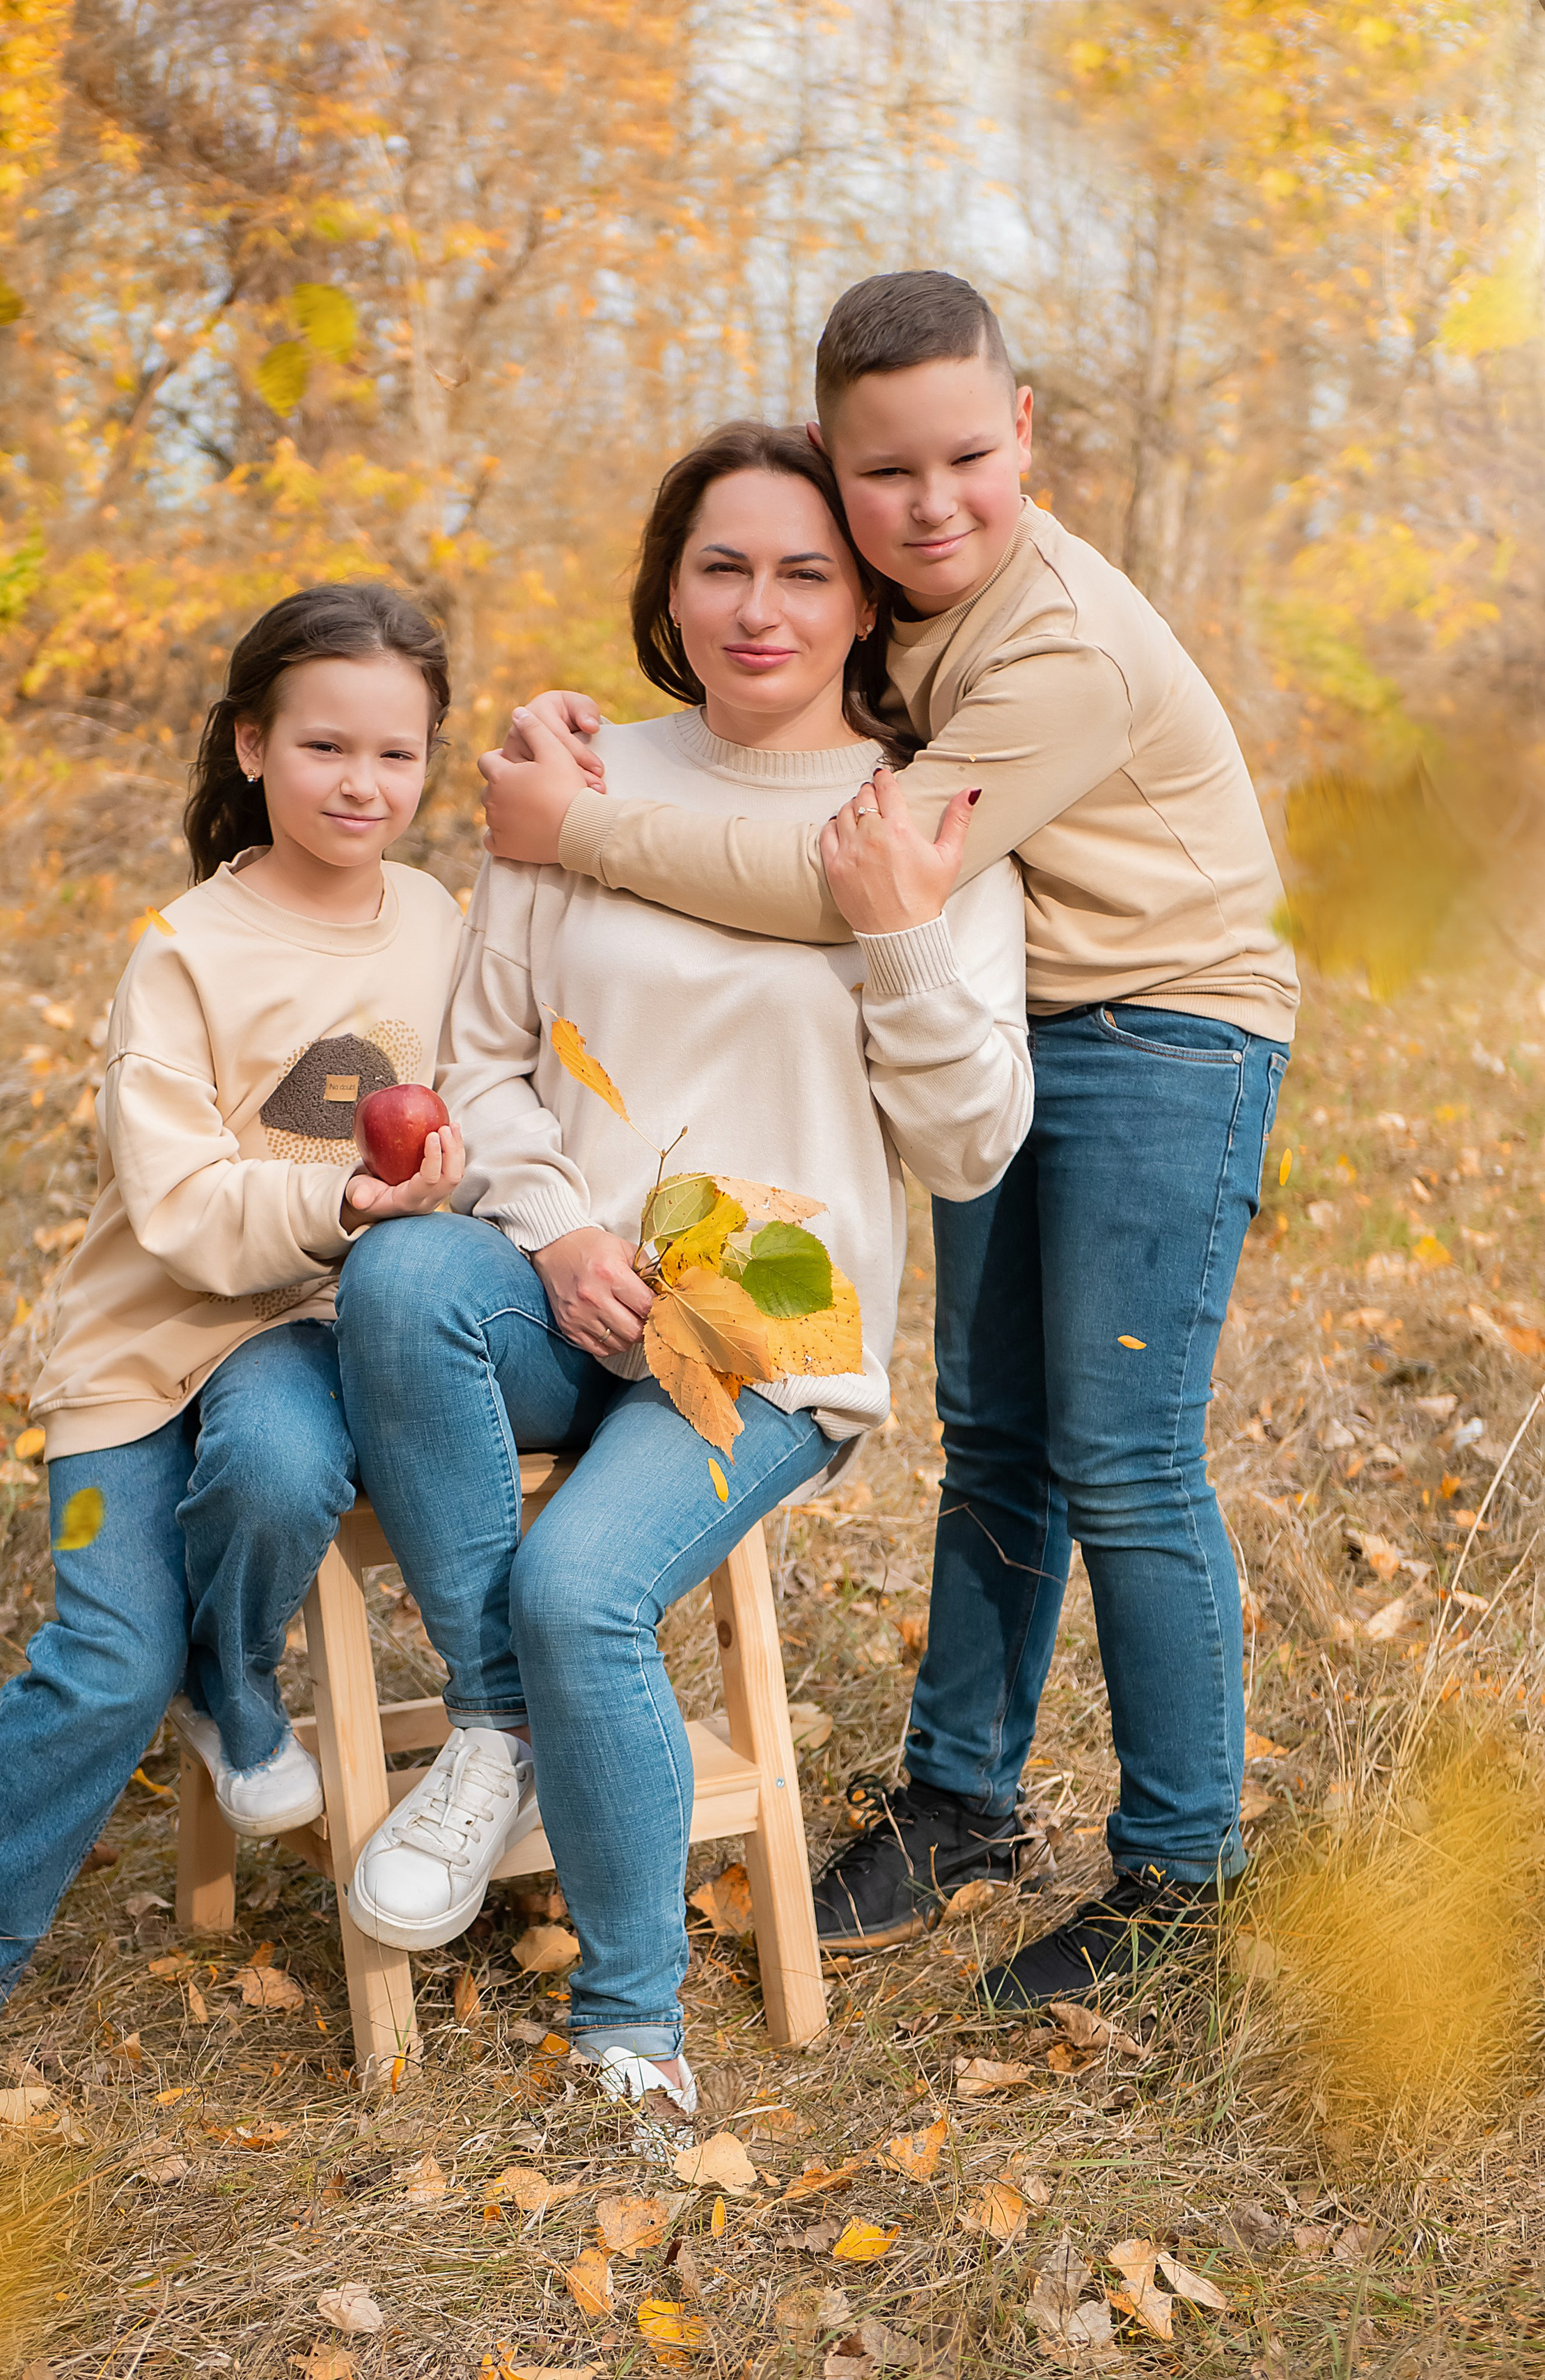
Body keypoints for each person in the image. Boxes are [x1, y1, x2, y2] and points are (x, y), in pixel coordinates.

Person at [483, 272, 1298, 2010]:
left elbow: (837, 880)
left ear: (1027, 433)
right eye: (883, 475)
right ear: (838, 476)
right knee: (996, 1428)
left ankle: (1182, 1869)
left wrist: (584, 824)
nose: (930, 504)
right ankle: (959, 1799)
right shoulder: (904, 605)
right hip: (1005, 1018)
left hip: (1164, 1024)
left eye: (962, 459)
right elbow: (769, 751)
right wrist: (591, 728)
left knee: (1122, 1451)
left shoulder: (1054, 644)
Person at [334, 421, 1031, 2120]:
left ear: (864, 598)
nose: (759, 606)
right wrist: (559, 1227)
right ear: (667, 585)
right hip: (564, 1287)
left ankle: (628, 2027)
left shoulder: (921, 815)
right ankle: (492, 1728)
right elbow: (485, 1056)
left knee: (584, 1582)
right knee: (400, 1285)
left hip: (771, 1335)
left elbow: (970, 1143)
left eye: (804, 570)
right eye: (720, 564)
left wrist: (896, 930)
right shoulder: (574, 783)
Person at [0, 584, 466, 2072]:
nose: (361, 783)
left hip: (298, 1326)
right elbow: (175, 1208)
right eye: (322, 745)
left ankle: (231, 1672)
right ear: (251, 744)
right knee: (106, 1654)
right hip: (135, 1348)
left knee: (282, 1470)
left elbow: (477, 1108)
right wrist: (345, 1201)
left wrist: (430, 1190)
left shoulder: (435, 919)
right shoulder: (185, 949)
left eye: (396, 754)